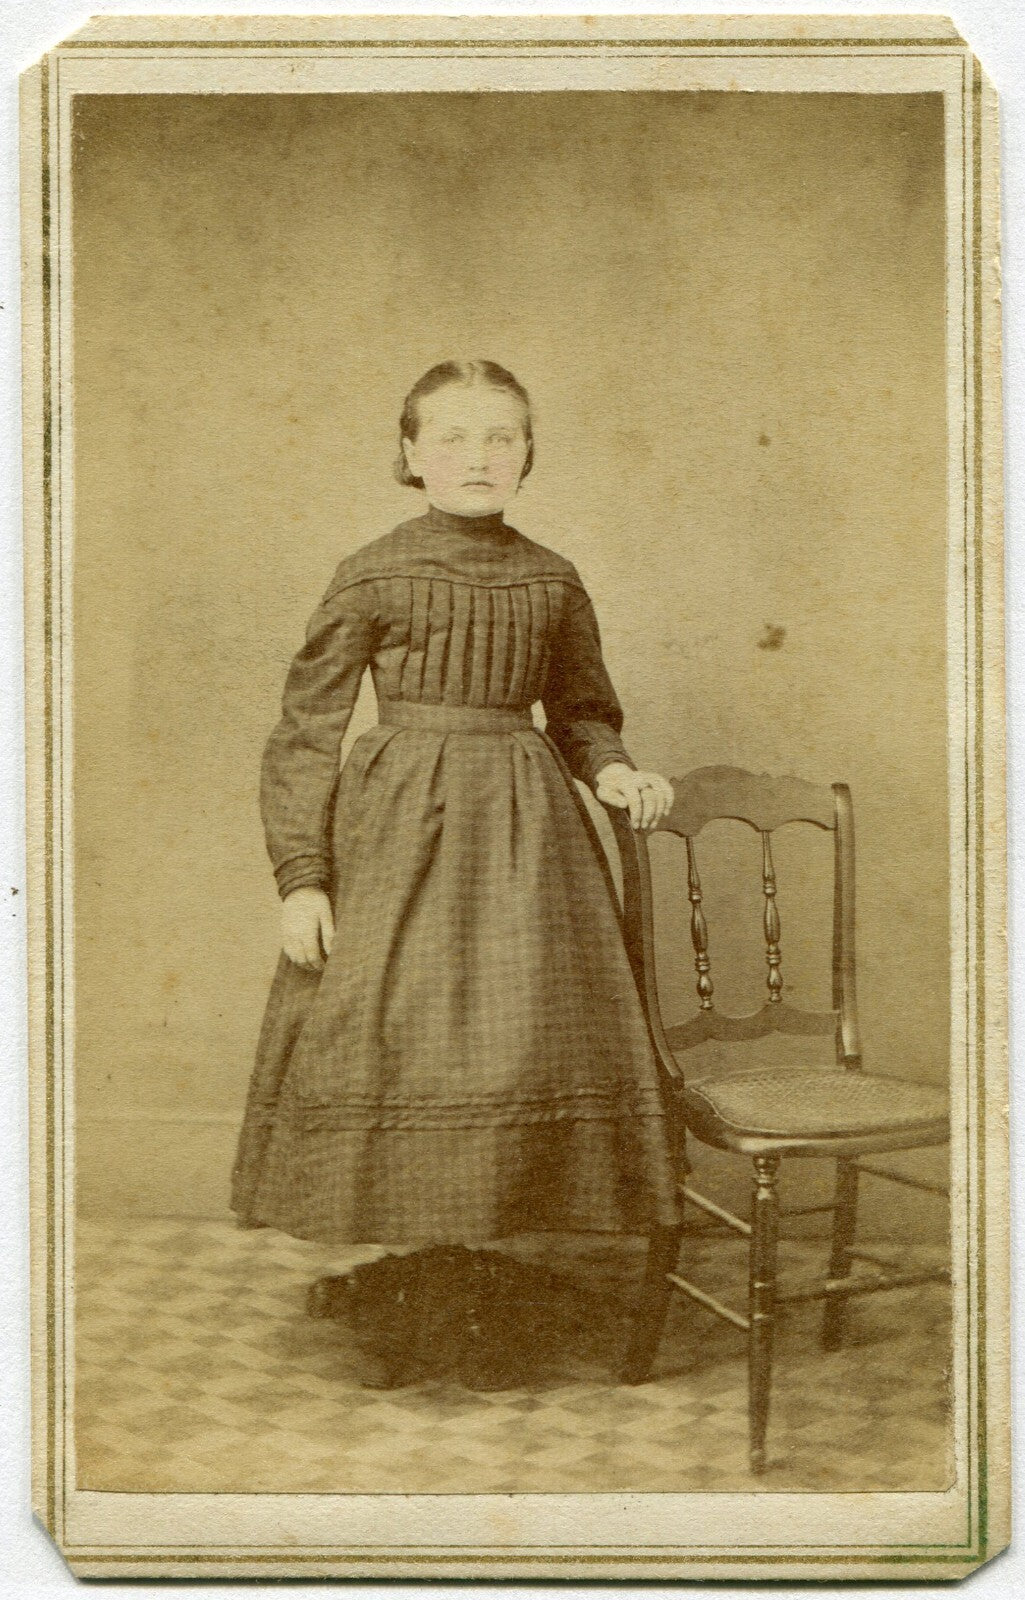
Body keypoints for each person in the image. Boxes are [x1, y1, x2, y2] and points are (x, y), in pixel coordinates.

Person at [231, 359, 683, 1389]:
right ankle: (422, 1275)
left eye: (501, 438)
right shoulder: (372, 571)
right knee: (407, 1033)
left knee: (515, 1035)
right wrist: (302, 875)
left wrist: (612, 772)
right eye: (451, 438)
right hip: (395, 838)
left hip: (529, 842)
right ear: (407, 454)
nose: (478, 457)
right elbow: (304, 732)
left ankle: (483, 1263)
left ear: (527, 452)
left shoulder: (552, 577)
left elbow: (580, 709)